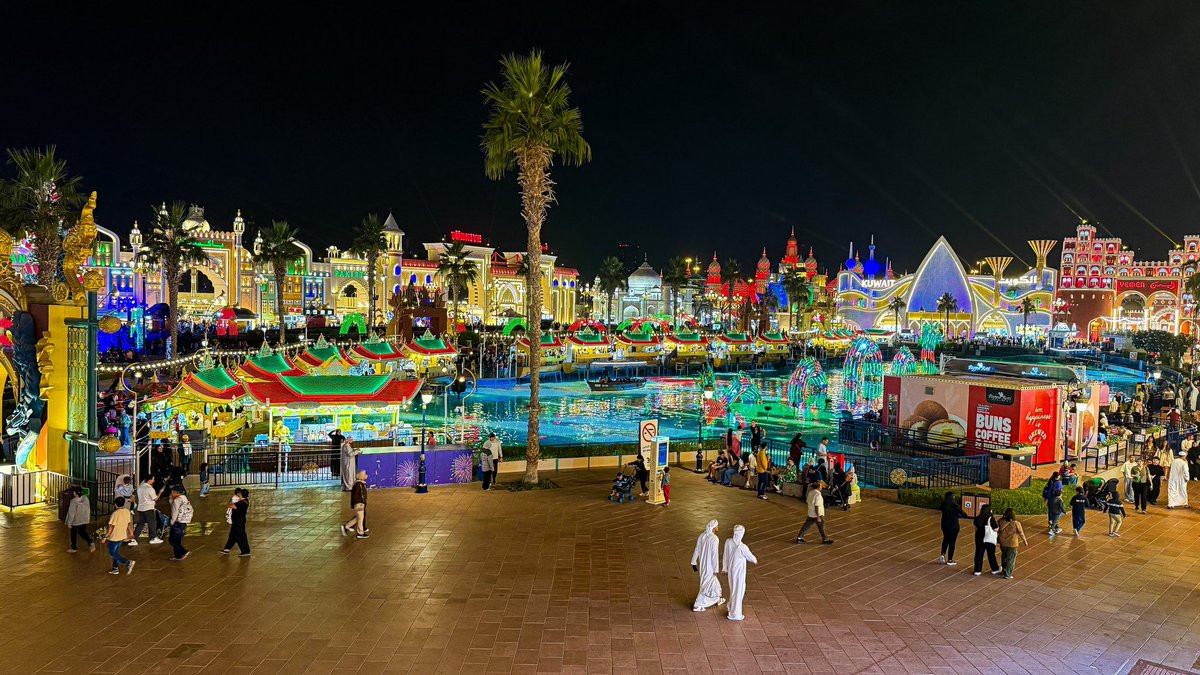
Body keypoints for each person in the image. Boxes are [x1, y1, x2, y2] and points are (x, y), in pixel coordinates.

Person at [721, 525, 757, 622]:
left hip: (731, 572)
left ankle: (731, 606)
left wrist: (724, 568)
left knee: (733, 590)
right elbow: (753, 559)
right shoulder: (743, 547)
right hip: (739, 573)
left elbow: (725, 556)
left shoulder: (728, 542)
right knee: (739, 591)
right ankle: (735, 614)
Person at [690, 520, 725, 612]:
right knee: (706, 584)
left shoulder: (702, 535)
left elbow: (697, 549)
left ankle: (717, 598)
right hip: (710, 566)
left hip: (702, 564)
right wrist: (715, 569)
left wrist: (693, 562)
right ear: (714, 528)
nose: (718, 528)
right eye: (717, 526)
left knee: (713, 582)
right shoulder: (714, 538)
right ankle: (698, 604)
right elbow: (714, 555)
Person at [102, 496, 135, 575]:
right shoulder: (127, 511)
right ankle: (115, 568)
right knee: (115, 553)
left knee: (112, 553)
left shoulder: (115, 514)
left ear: (115, 504)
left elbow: (111, 527)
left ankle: (127, 562)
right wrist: (131, 533)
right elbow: (128, 524)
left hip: (114, 537)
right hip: (122, 536)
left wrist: (105, 537)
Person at [796, 480, 834, 545]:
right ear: (819, 486)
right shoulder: (818, 495)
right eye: (821, 486)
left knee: (806, 526)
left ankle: (799, 537)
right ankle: (825, 539)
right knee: (821, 527)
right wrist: (818, 516)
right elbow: (817, 506)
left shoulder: (811, 492)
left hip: (810, 513)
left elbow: (808, 501)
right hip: (818, 514)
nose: (822, 488)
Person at [997, 509, 1028, 580]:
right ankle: (1008, 574)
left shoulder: (1001, 521)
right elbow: (1021, 533)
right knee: (1010, 559)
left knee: (1004, 556)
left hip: (1003, 542)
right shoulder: (1016, 523)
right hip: (1012, 543)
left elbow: (997, 529)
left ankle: (1004, 570)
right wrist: (1025, 541)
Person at [971, 503, 1000, 576]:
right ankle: (994, 569)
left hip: (979, 538)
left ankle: (977, 570)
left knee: (979, 554)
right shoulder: (990, 518)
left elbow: (976, 528)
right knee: (991, 554)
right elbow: (996, 528)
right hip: (989, 539)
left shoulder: (977, 518)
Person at [220, 489, 251, 556]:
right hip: (237, 521)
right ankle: (227, 549)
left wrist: (233, 501)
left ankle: (245, 551)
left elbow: (230, 506)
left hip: (238, 522)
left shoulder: (241, 503)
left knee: (240, 536)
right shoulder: (245, 501)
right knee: (233, 535)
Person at [133, 476, 163, 544]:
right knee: (152, 523)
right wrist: (160, 492)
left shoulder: (140, 487)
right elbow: (155, 499)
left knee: (140, 524)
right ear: (149, 480)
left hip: (141, 508)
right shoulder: (150, 488)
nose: (154, 481)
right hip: (149, 508)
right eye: (153, 479)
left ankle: (134, 539)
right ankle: (153, 538)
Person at [938, 492, 966, 565]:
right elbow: (964, 515)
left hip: (944, 525)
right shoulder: (956, 506)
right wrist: (958, 515)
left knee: (945, 539)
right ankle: (950, 560)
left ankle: (942, 554)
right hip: (954, 526)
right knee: (952, 543)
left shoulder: (943, 505)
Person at [341, 470, 370, 539]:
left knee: (358, 518)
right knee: (360, 518)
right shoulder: (358, 485)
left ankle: (346, 526)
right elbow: (358, 496)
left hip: (360, 504)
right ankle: (360, 533)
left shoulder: (360, 484)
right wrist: (360, 504)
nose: (367, 476)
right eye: (365, 474)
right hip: (359, 504)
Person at [65, 486, 94, 553]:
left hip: (75, 521)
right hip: (84, 519)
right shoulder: (85, 498)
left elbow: (71, 513)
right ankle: (90, 541)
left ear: (75, 493)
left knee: (73, 534)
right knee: (82, 532)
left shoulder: (73, 501)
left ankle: (73, 548)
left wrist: (69, 523)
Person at [167, 486, 193, 561]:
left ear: (176, 492)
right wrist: (171, 499)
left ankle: (183, 551)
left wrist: (171, 522)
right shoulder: (184, 498)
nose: (171, 493)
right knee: (177, 540)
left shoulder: (176, 501)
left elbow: (174, 513)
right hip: (183, 522)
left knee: (172, 540)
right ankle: (178, 556)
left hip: (177, 523)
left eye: (172, 492)